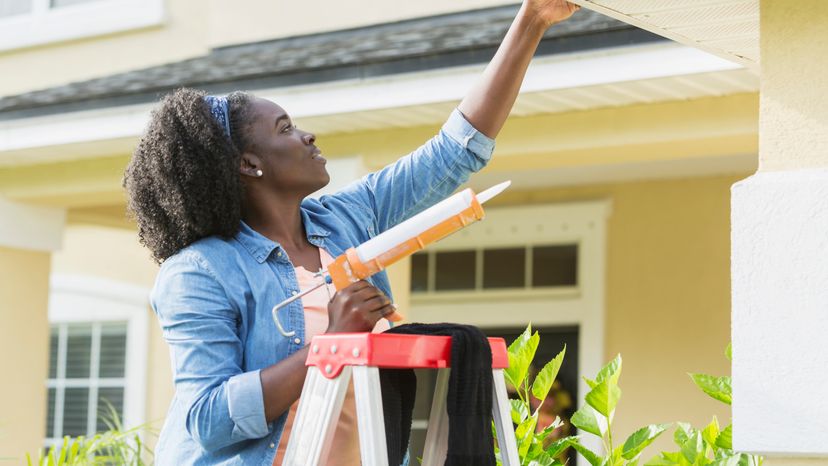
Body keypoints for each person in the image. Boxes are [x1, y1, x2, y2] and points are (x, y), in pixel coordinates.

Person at [123, 1, 580, 464]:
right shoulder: (199, 271)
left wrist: (533, 19)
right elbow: (206, 419)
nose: (308, 135)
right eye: (286, 129)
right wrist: (332, 345)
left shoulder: (344, 220)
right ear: (248, 164)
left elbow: (455, 151)